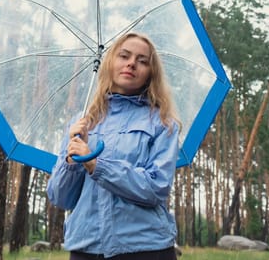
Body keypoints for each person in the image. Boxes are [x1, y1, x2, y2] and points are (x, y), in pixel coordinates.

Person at [47, 32, 181, 260]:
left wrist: (96, 164)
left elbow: (156, 187)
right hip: (86, 248)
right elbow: (62, 198)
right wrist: (71, 162)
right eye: (124, 56)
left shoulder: (162, 123)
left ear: (151, 73)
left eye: (142, 60)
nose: (131, 63)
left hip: (145, 248)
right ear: (110, 62)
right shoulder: (82, 122)